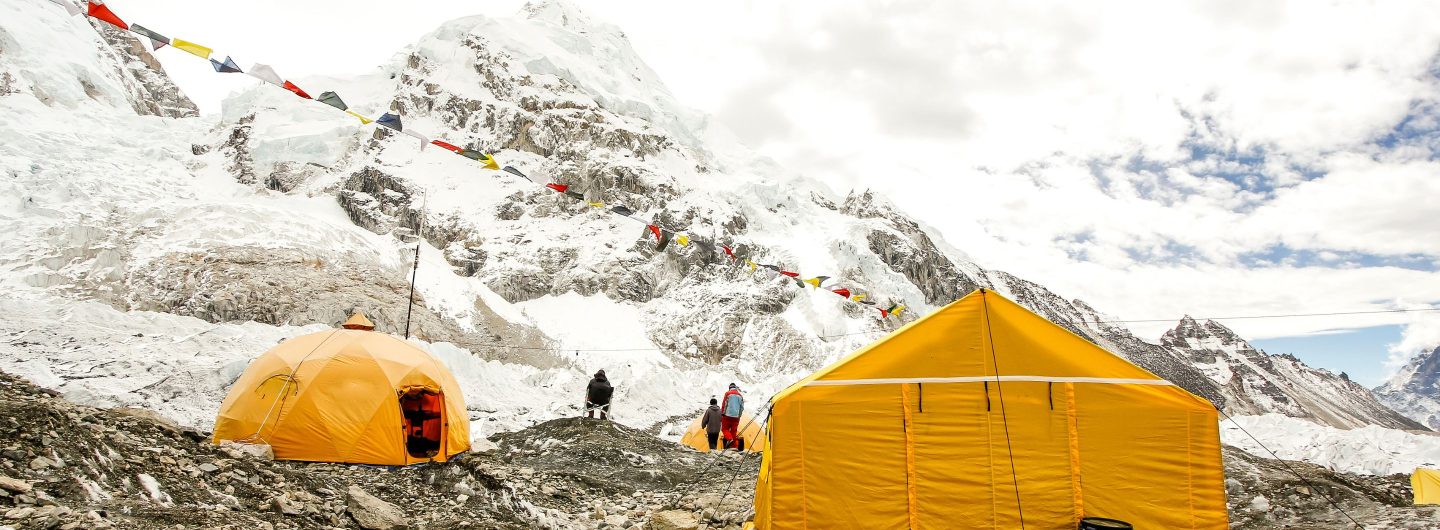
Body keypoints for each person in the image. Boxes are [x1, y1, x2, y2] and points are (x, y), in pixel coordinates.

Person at [720, 383, 744, 449]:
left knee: (724, 429)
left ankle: (729, 439)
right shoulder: (740, 396)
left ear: (729, 388)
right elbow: (742, 408)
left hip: (727, 415)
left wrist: (722, 413)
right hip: (736, 417)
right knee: (733, 432)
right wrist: (739, 416)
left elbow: (724, 404)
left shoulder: (728, 394)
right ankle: (734, 447)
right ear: (735, 388)